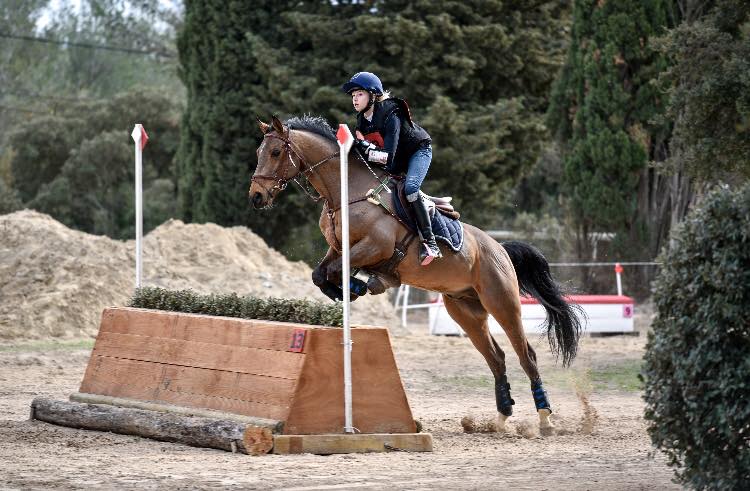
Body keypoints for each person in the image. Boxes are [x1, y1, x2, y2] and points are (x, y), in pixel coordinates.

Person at [342, 71, 442, 266]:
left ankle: (430, 243)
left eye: (359, 94)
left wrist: (363, 147)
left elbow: (387, 156)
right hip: (396, 159)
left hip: (417, 152)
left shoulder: (391, 113)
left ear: (373, 95)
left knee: (411, 188)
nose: (355, 99)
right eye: (353, 95)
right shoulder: (362, 120)